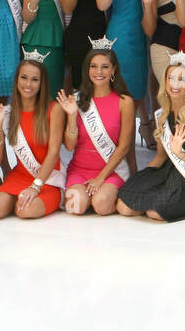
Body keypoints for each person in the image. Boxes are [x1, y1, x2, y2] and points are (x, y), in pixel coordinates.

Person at [117, 54, 185, 221]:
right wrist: (143, 177)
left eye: (181, 79)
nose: (175, 84)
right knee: (123, 205)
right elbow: (161, 156)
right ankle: (156, 199)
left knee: (155, 213)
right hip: (169, 171)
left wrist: (182, 154)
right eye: (171, 78)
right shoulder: (163, 115)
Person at [0, 54, 66, 220]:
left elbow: (54, 152)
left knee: (25, 211)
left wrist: (36, 186)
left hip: (47, 180)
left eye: (35, 79)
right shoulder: (8, 113)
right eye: (24, 78)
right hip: (20, 176)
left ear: (42, 83)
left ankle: (17, 201)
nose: (28, 84)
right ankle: (8, 199)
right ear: (17, 80)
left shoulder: (54, 109)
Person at [58, 42, 136, 215]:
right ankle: (91, 198)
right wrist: (71, 116)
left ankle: (111, 196)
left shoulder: (125, 102)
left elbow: (124, 146)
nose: (99, 72)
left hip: (111, 171)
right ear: (87, 69)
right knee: (75, 207)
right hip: (80, 169)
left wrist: (101, 178)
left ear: (113, 70)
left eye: (105, 67)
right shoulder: (76, 100)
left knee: (101, 205)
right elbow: (69, 146)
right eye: (93, 66)